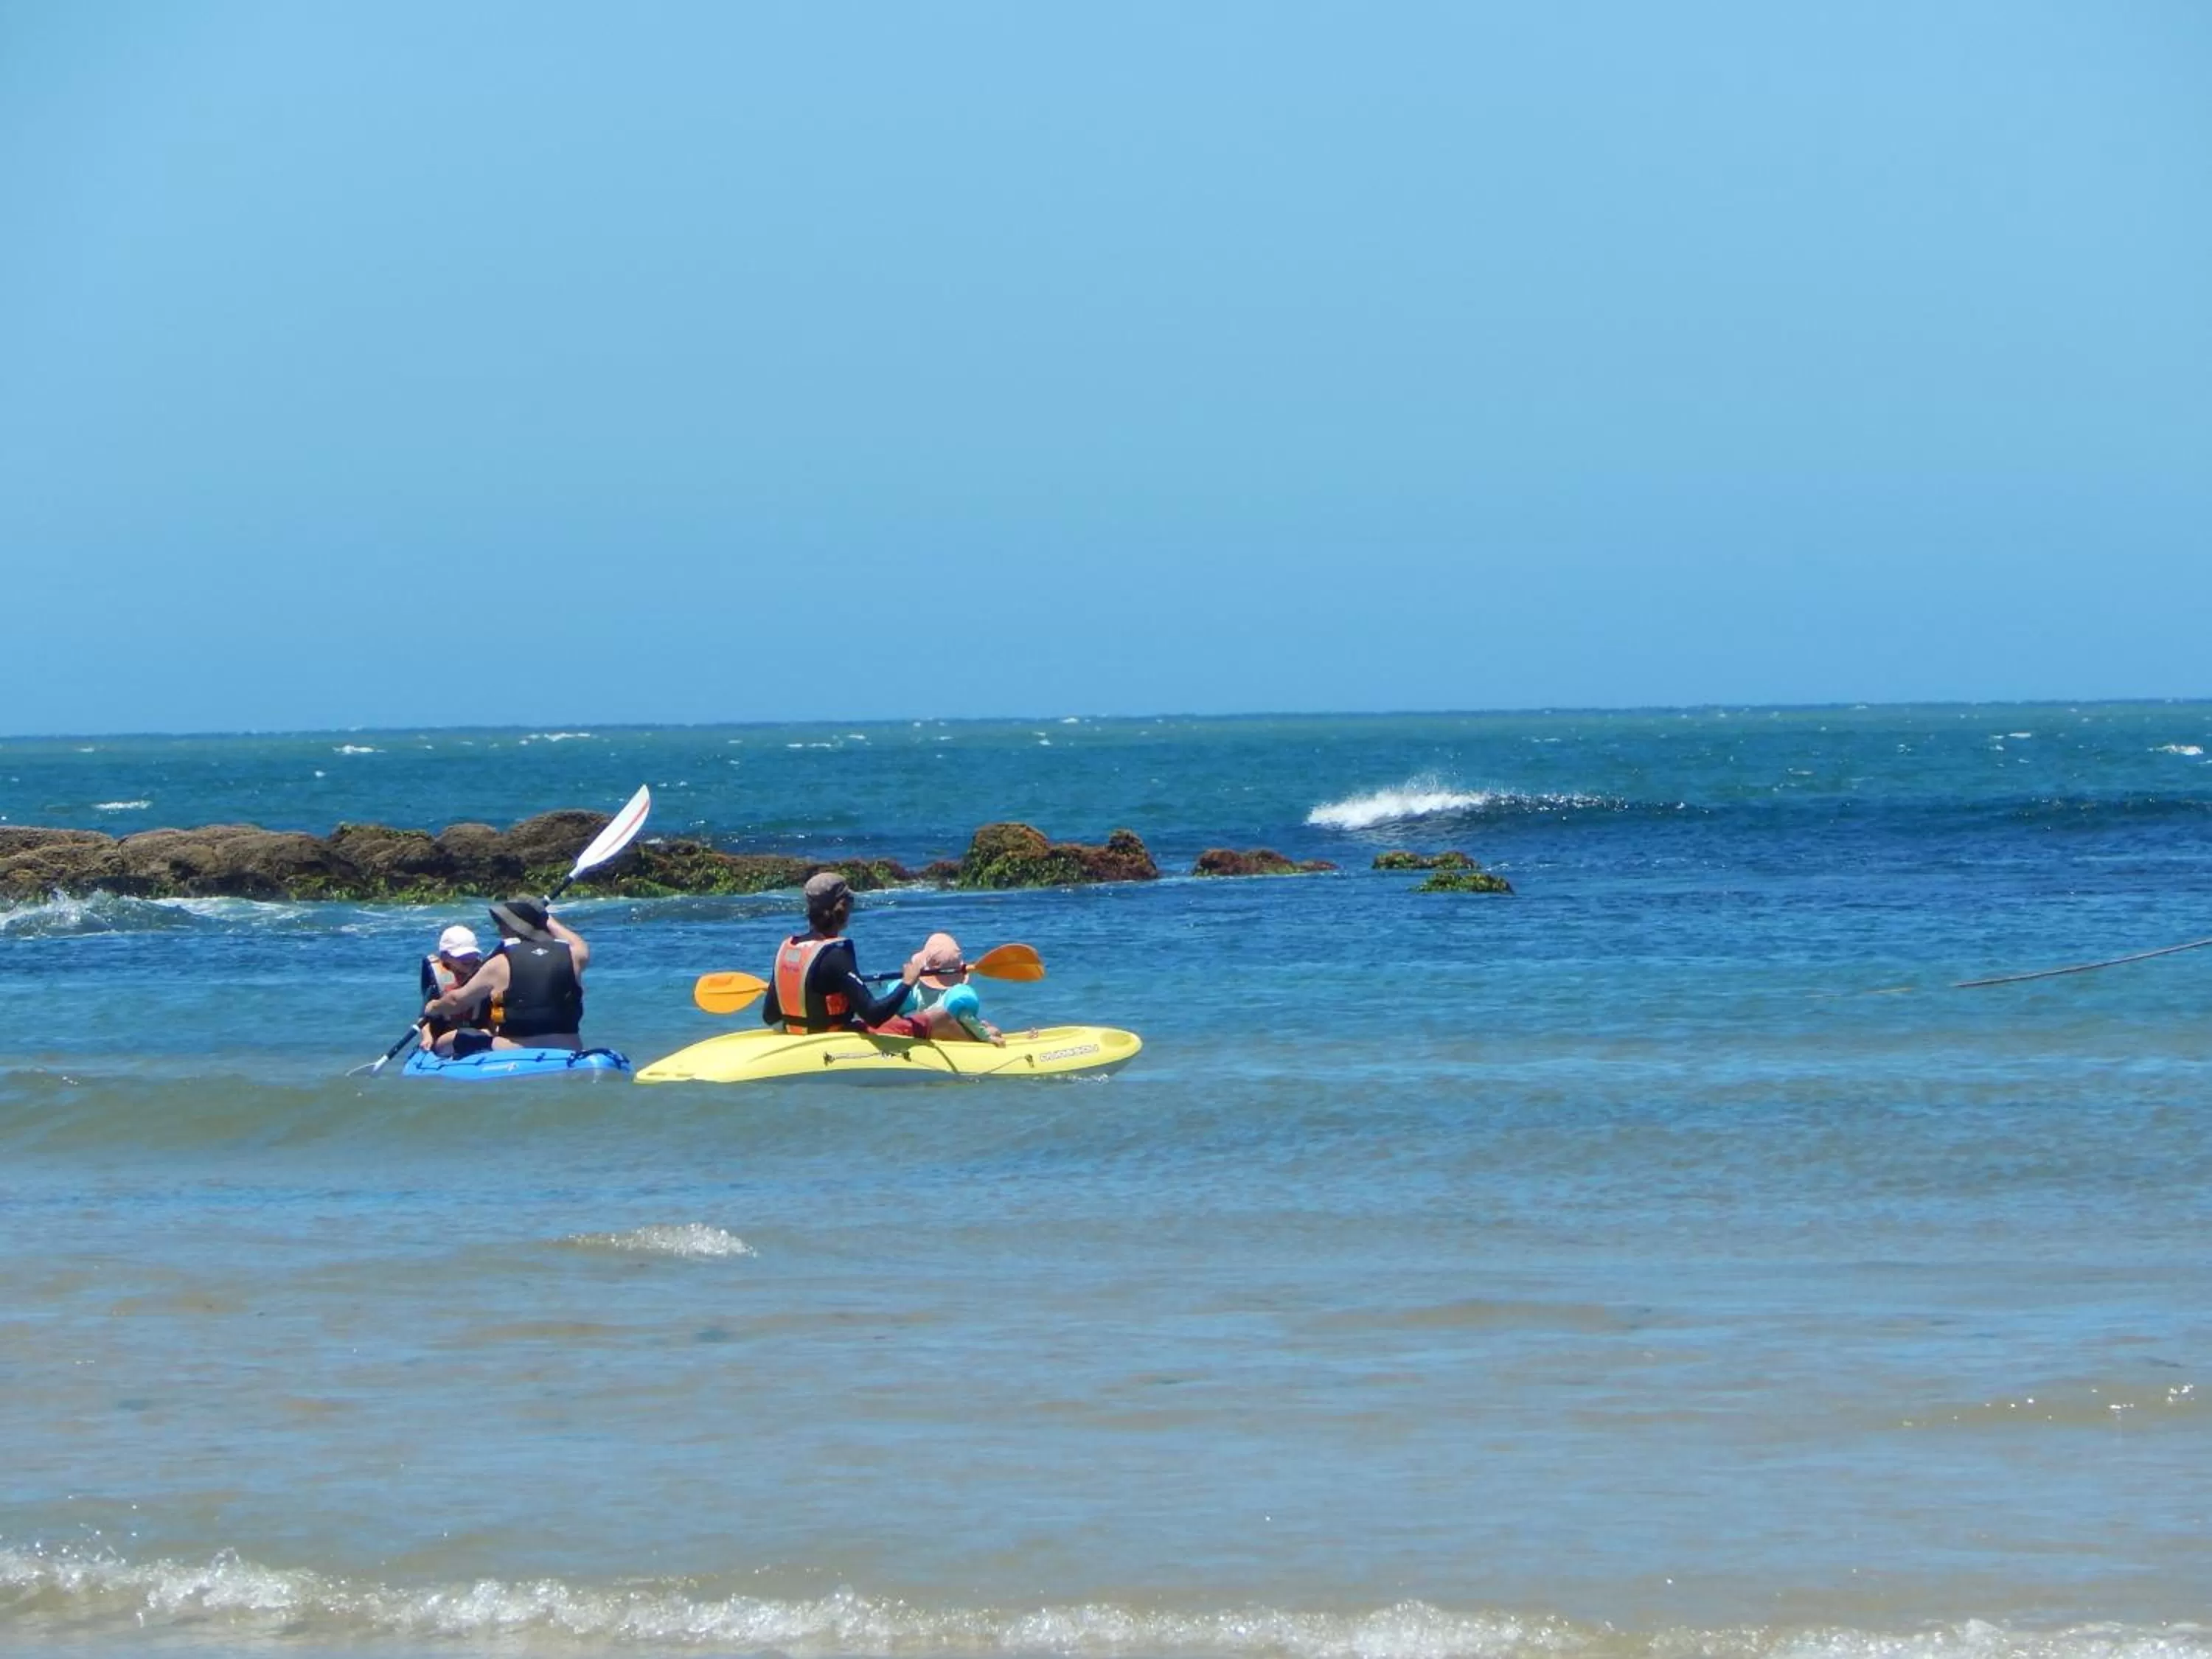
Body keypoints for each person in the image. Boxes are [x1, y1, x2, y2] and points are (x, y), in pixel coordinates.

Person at [422, 897, 592, 1050]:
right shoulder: (572, 956)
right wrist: (546, 918)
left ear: (512, 930)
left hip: (515, 1051)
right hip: (569, 1048)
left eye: (502, 926)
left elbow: (457, 1001)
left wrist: (434, 1007)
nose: (500, 930)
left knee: (448, 1040)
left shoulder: (500, 964)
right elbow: (580, 945)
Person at [760, 871, 917, 1033]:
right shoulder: (836, 955)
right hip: (832, 1043)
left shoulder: (787, 948)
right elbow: (874, 1016)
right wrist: (907, 983)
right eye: (851, 902)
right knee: (930, 1020)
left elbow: (770, 1016)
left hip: (799, 1040)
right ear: (843, 906)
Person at [877, 932, 1006, 1046]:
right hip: (951, 1033)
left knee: (983, 1024)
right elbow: (966, 1018)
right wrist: (987, 1038)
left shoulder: (918, 989)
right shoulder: (954, 994)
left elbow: (898, 1010)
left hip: (929, 1032)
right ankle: (986, 1035)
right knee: (993, 1030)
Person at [418, 924, 493, 1057]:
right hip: (447, 1037)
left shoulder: (484, 972)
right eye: (462, 957)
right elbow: (424, 1018)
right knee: (466, 1036)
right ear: (445, 956)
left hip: (481, 1032)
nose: (469, 960)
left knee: (485, 1034)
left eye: (472, 954)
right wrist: (427, 1036)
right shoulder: (438, 981)